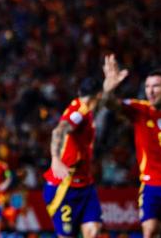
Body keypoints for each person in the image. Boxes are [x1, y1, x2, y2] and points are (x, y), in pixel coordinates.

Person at [102, 54, 161, 238]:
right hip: (151, 183)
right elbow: (109, 104)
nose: (150, 91)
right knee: (150, 231)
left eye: (156, 86)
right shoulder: (139, 111)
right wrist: (108, 90)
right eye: (147, 86)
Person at [41, 76, 107, 238]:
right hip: (64, 185)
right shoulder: (79, 112)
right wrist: (55, 159)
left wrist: (109, 85)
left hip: (85, 184)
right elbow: (59, 130)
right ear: (98, 95)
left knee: (94, 230)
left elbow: (101, 102)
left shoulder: (88, 109)